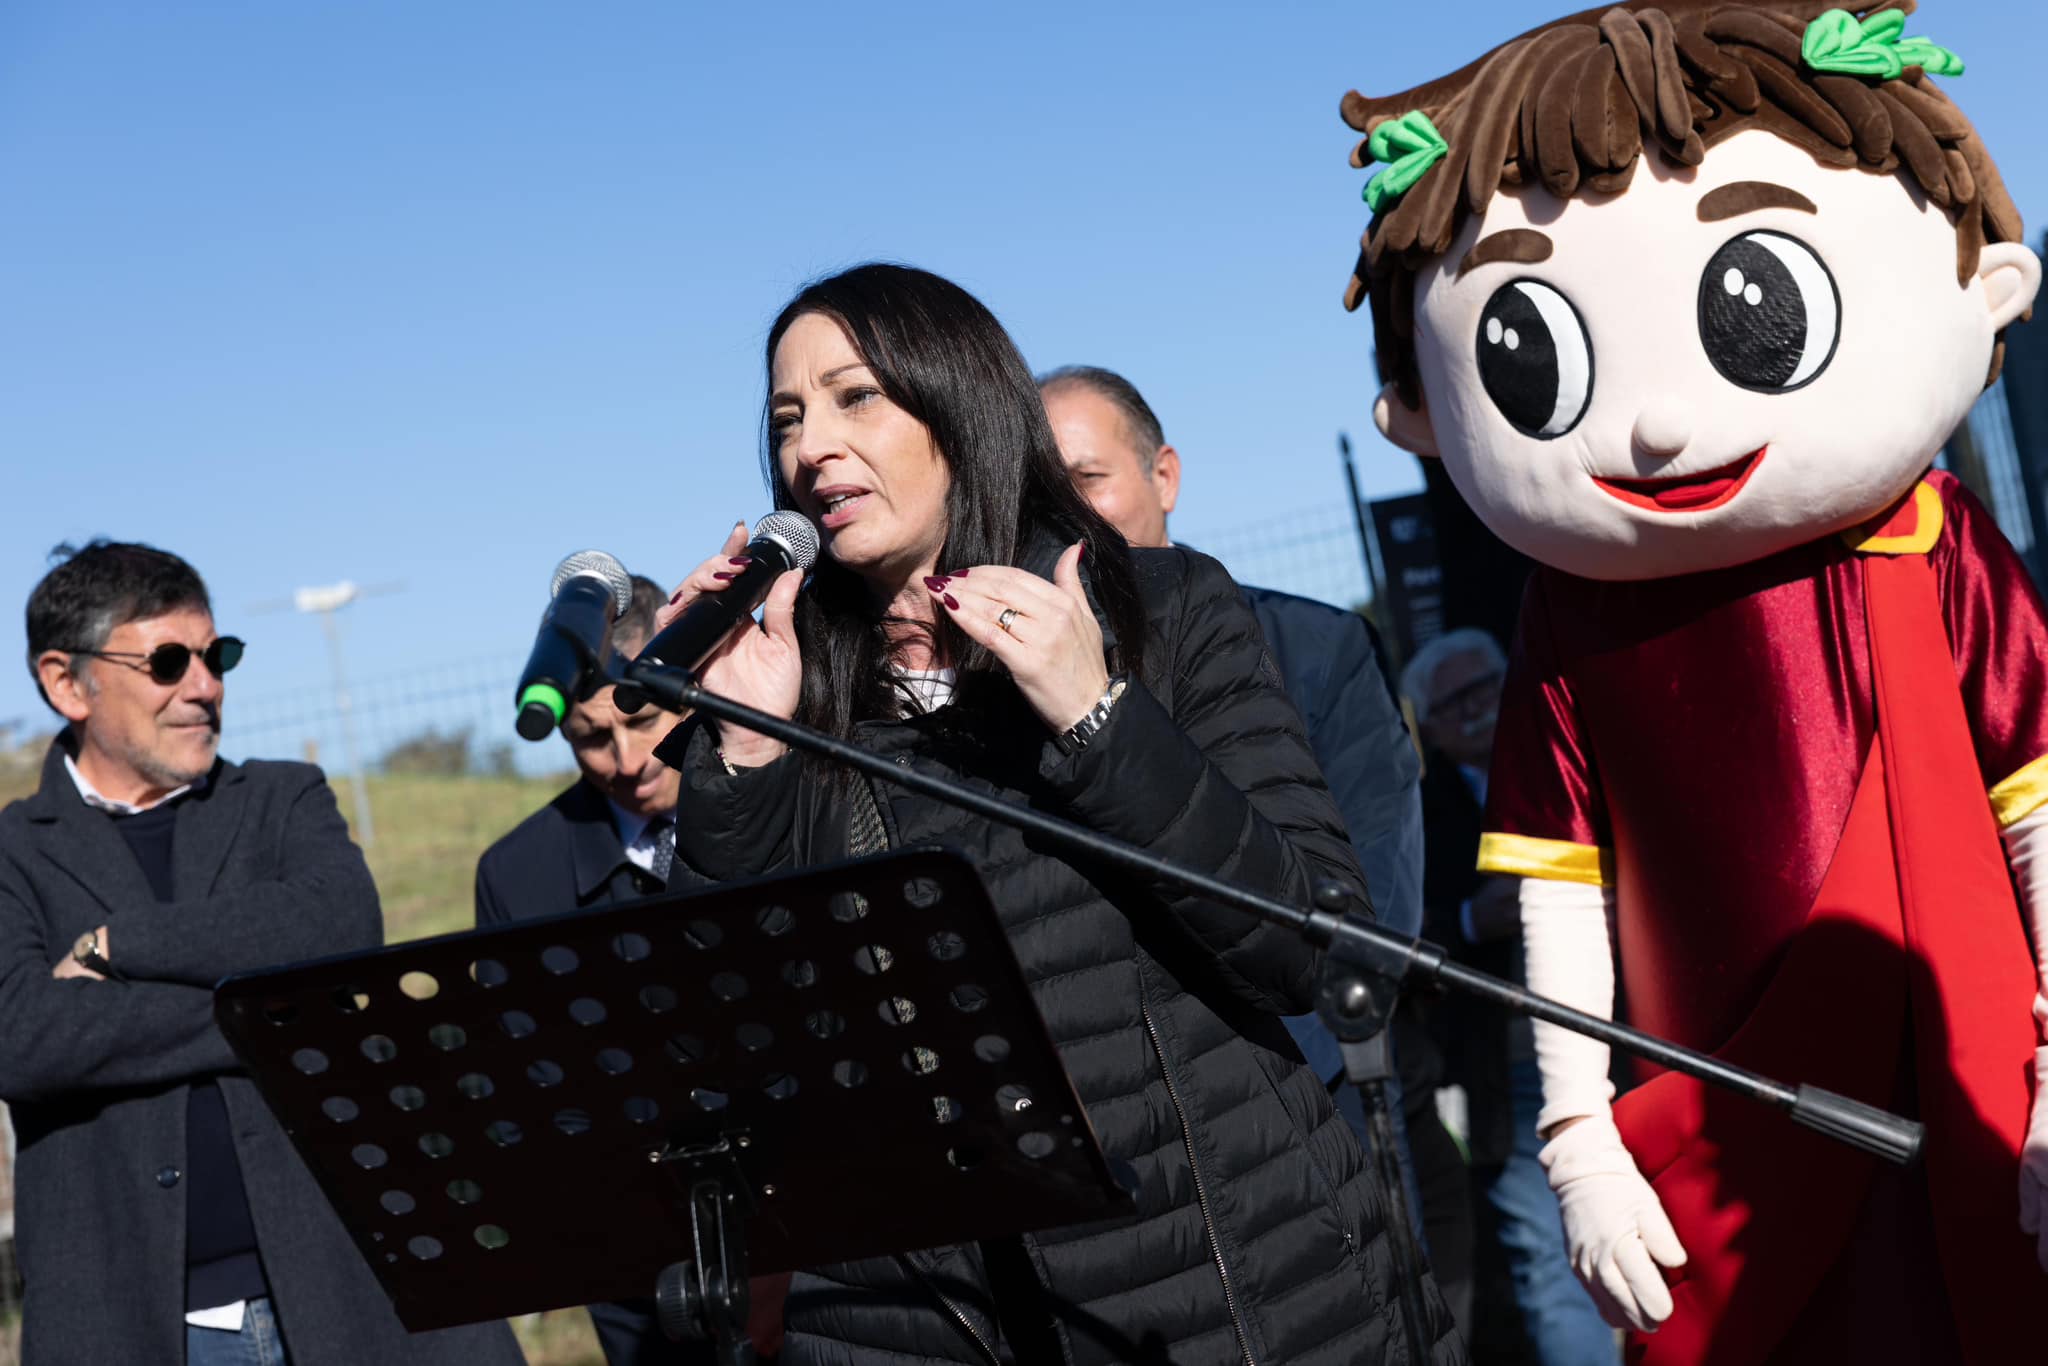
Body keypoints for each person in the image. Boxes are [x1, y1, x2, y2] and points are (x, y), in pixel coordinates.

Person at [1343, 2, 2045, 1361]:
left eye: (1756, 308)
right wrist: (1577, 1131)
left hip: (1966, 1074)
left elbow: (2034, 800)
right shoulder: (1575, 612)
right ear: (1418, 416)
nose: (1659, 421)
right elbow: (1557, 878)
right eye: (1527, 350)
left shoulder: (1928, 539)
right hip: (1718, 1119)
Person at [653, 262, 1464, 1364]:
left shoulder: (1162, 612)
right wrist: (744, 755)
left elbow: (1310, 948)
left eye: (855, 398)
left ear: (960, 407)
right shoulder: (791, 699)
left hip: (1237, 1297)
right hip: (922, 1325)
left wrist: (1096, 717)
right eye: (788, 417)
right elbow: (733, 1060)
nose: (812, 447)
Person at [0, 541, 525, 1366]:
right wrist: (279, 1005)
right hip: (136, 1325)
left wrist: (121, 945)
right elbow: (24, 1037)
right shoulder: (12, 855)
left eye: (218, 657)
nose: (204, 686)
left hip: (360, 1293)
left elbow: (342, 927)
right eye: (167, 662)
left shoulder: (284, 800)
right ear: (67, 683)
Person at [1037, 363, 1446, 1281]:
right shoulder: (1008, 683)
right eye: (1040, 495)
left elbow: (1373, 896)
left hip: (1316, 1083)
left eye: (1089, 480)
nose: (1066, 518)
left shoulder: (1317, 648)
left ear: (1165, 476)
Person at [477, 571, 720, 1365]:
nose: (627, 760)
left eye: (642, 719)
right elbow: (528, 1087)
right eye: (589, 738)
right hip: (635, 1261)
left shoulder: (779, 801)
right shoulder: (516, 876)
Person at [1401, 629, 1613, 1365]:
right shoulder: (1414, 813)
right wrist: (1468, 920)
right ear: (1427, 726)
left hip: (1629, 1029)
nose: (1476, 710)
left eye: (1486, 687)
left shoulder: (1582, 754)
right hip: (1509, 1059)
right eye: (1452, 702)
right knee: (1552, 1257)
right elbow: (1397, 926)